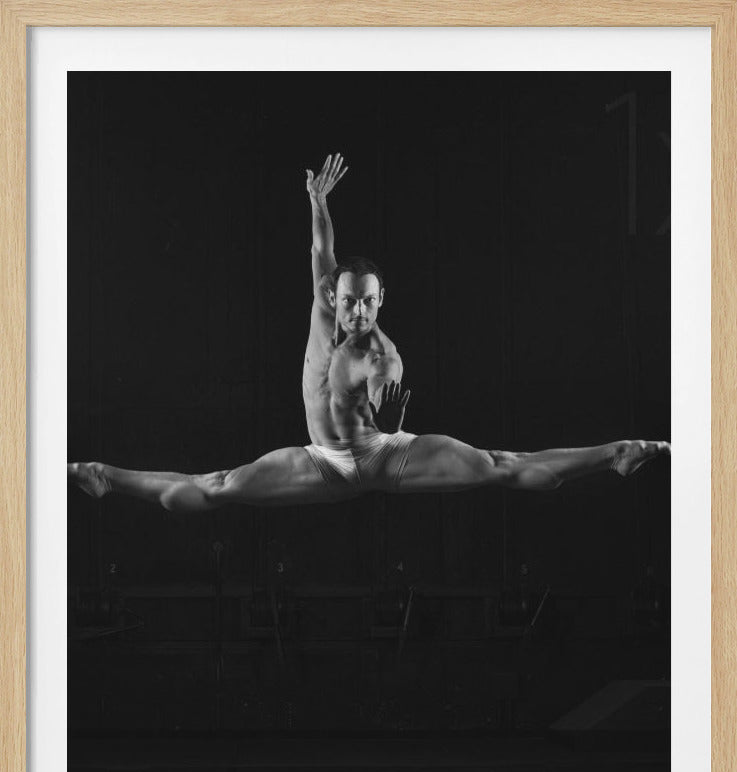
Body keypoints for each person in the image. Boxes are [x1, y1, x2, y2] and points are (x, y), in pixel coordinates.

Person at [68, 153, 669, 511]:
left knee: (500, 465)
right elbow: (320, 246)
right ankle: (105, 477)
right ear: (336, 295)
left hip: (380, 459)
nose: (358, 313)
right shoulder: (325, 303)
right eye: (350, 302)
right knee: (218, 487)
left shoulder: (381, 355)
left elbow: (384, 396)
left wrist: (387, 404)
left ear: (382, 304)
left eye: (368, 305)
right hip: (324, 462)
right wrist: (317, 200)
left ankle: (613, 454)